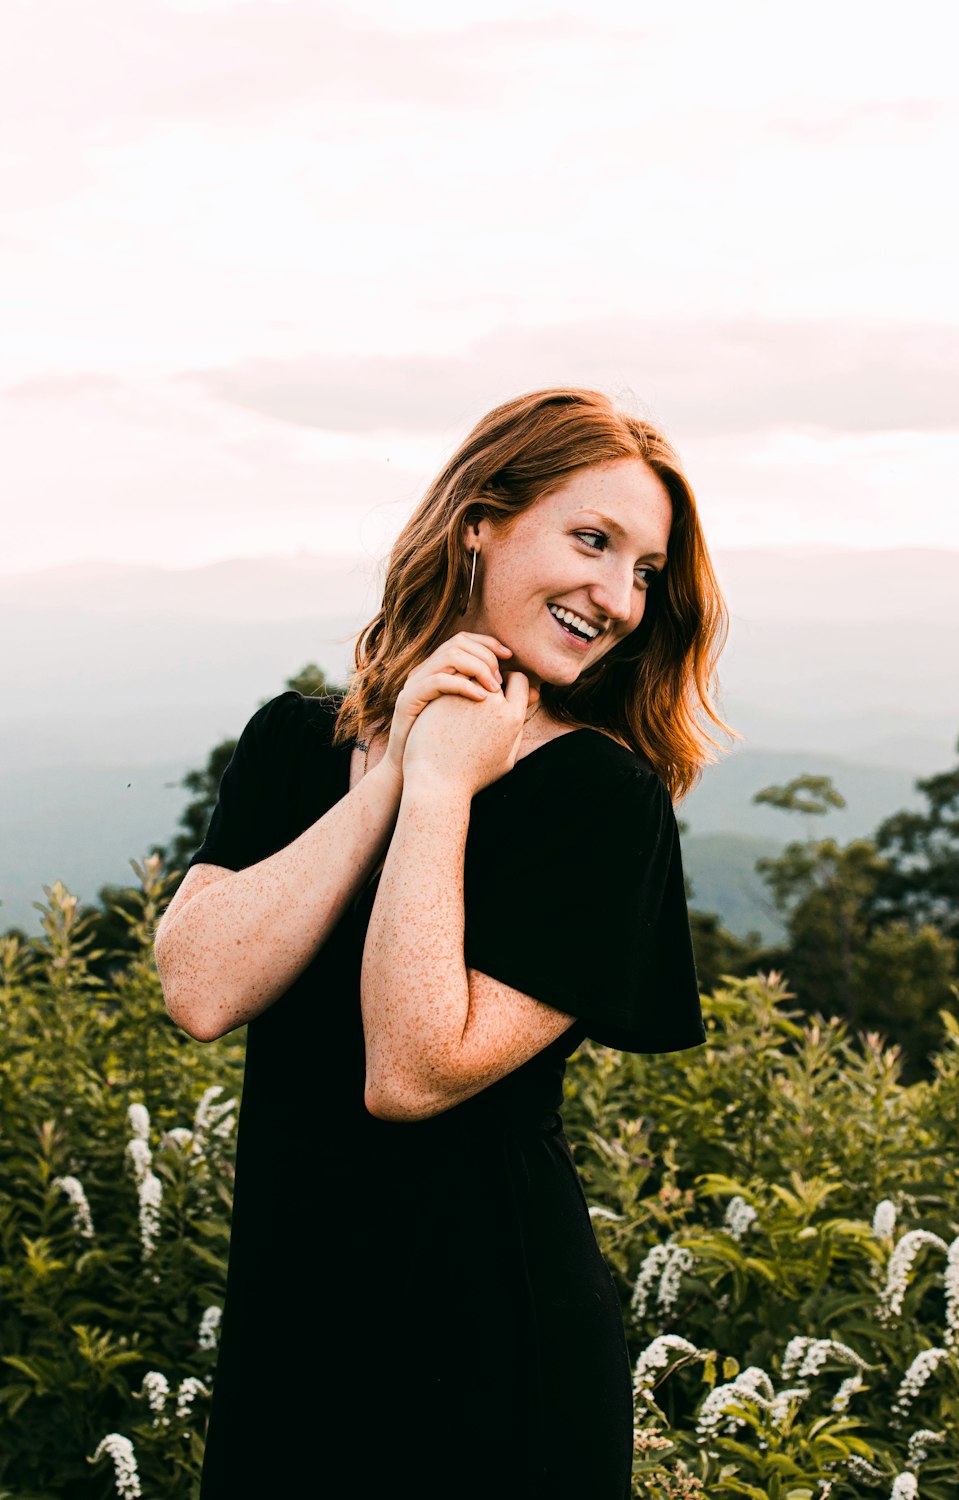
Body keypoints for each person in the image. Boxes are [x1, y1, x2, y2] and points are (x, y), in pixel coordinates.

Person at [154, 386, 730, 1499]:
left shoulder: (600, 802)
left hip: (491, 1348)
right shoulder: (294, 742)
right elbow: (200, 987)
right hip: (291, 1325)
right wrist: (393, 770)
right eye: (592, 540)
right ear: (481, 521)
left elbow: (412, 1070)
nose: (616, 597)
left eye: (645, 571)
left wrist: (438, 795)